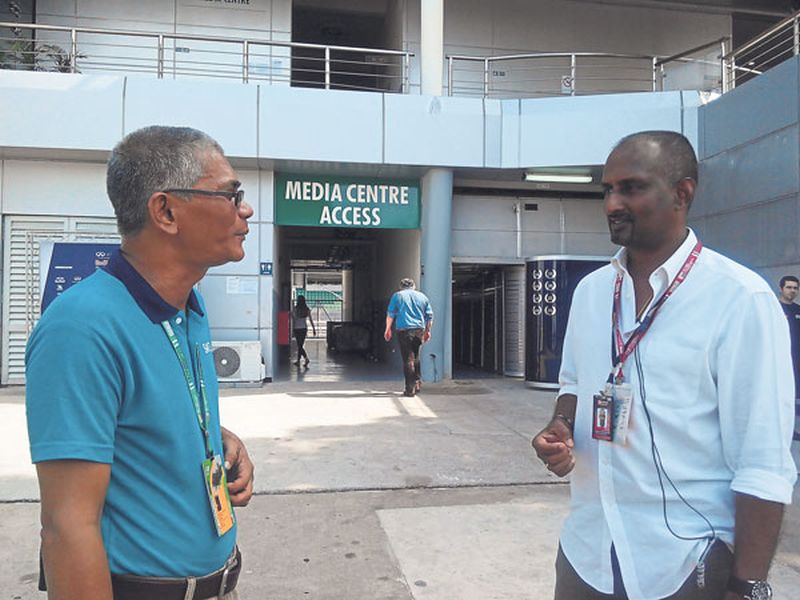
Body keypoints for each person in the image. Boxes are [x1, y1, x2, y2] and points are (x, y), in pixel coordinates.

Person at [532, 130, 796, 600]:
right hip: (588, 552)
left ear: (683, 193)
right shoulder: (592, 292)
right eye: (607, 190)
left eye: (631, 188)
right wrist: (561, 426)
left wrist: (746, 586)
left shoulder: (740, 300)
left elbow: (763, 464)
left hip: (685, 564)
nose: (613, 203)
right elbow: (574, 382)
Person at [26, 126, 255, 600]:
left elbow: (148, 412)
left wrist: (217, 438)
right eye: (231, 195)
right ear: (166, 211)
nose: (245, 209)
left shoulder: (187, 305)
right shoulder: (82, 328)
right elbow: (67, 526)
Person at [384, 278, 433, 397]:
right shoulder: (422, 297)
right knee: (416, 357)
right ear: (414, 286)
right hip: (419, 330)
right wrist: (428, 331)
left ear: (401, 286)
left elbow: (390, 314)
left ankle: (409, 389)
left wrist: (387, 329)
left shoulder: (397, 296)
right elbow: (429, 316)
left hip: (404, 330)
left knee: (408, 359)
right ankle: (417, 383)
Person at [778, 275, 800, 442]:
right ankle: (786, 430)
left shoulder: (798, 310)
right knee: (784, 395)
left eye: (795, 288)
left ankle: (794, 428)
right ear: (781, 288)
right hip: (781, 359)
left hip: (797, 360)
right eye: (789, 287)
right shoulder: (774, 309)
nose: (792, 291)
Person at [292, 294, 316, 367]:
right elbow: (311, 319)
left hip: (297, 328)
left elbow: (294, 319)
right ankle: (299, 360)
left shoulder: (295, 309)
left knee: (299, 345)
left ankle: (305, 359)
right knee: (300, 345)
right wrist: (313, 328)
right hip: (304, 329)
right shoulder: (307, 309)